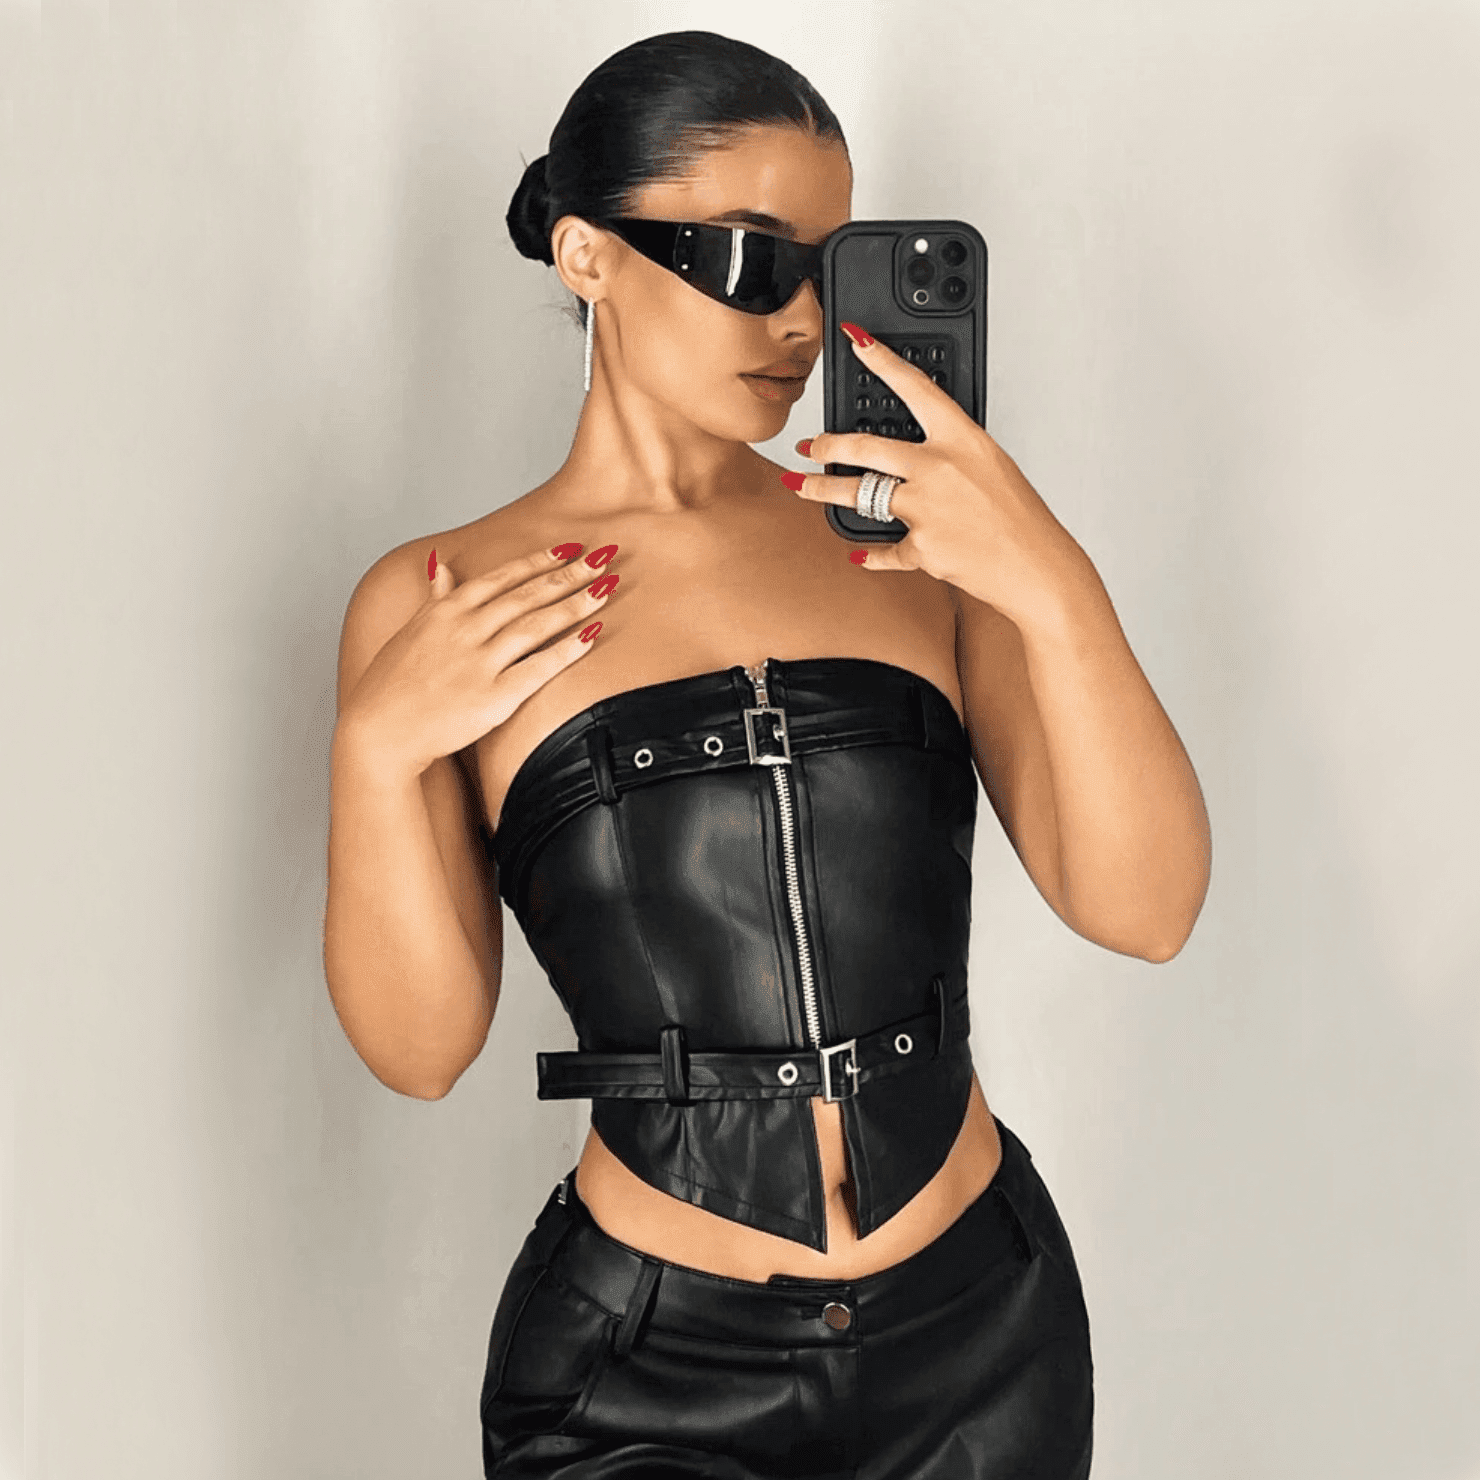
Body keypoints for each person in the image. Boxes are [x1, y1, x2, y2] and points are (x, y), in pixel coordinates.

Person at [323, 28, 1211, 1479]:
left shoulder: (919, 546)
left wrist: (1051, 581)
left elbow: (1148, 909)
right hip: (641, 1372)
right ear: (586, 255)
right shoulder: (441, 600)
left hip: (983, 1342)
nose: (801, 319)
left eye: (827, 266)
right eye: (747, 259)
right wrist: (376, 751)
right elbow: (421, 1055)